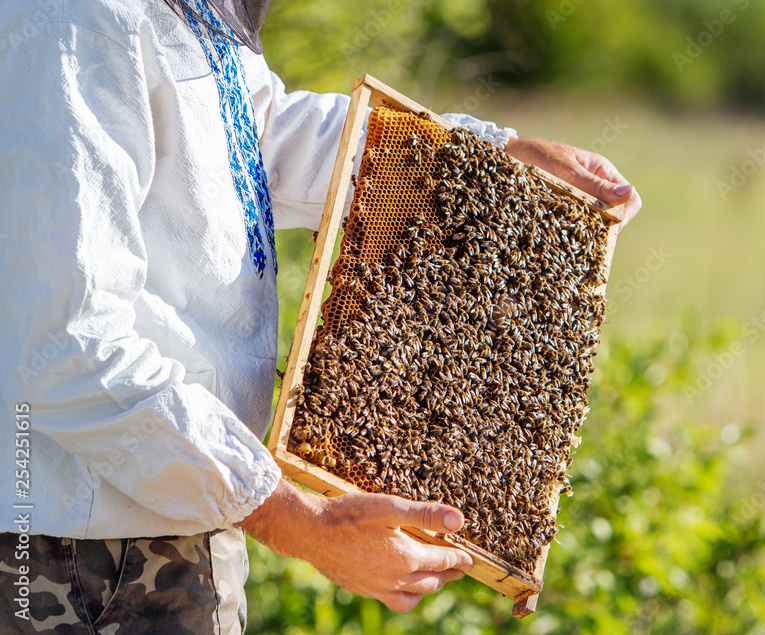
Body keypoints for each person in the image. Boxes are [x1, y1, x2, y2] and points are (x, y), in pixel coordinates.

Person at [0, 0, 642, 632]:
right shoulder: (73, 18)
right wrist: (295, 519)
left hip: (174, 529)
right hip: (79, 566)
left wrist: (488, 161)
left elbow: (251, 134)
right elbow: (66, 347)